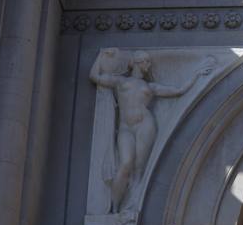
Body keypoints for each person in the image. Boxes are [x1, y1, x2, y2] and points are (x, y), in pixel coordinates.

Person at [89, 49, 212, 213]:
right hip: (126, 128)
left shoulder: (150, 86)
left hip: (145, 126)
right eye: (146, 61)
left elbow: (178, 90)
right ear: (138, 63)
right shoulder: (120, 82)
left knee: (139, 170)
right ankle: (114, 208)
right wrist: (101, 55)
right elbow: (95, 76)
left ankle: (132, 207)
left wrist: (197, 74)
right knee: (126, 164)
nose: (149, 64)